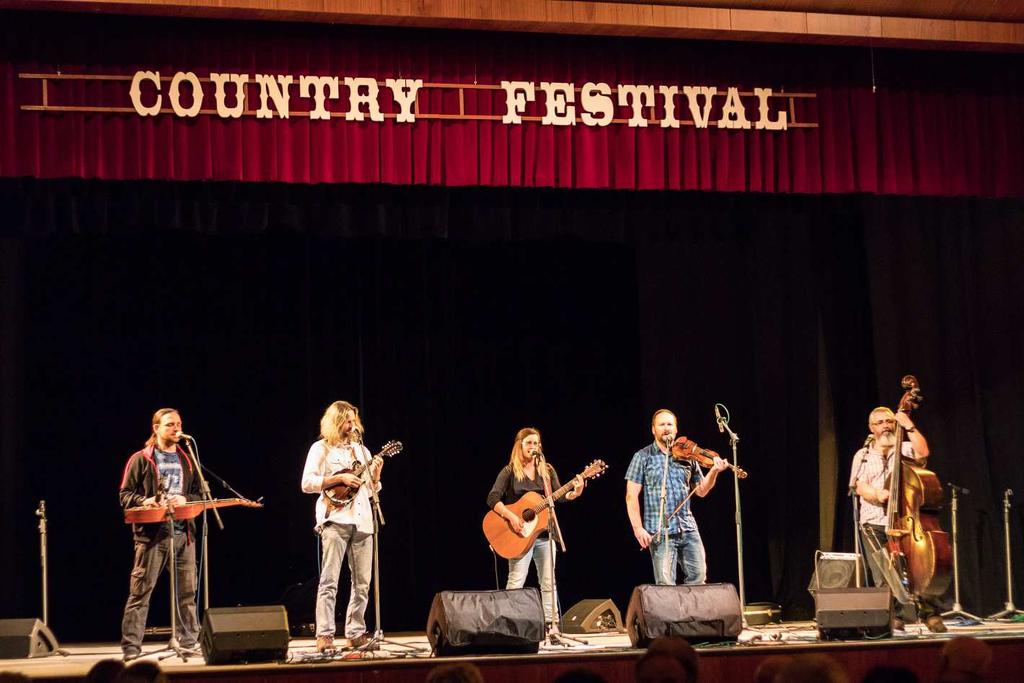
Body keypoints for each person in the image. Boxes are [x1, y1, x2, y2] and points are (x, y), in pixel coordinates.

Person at [850, 406, 946, 633]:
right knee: (883, 573)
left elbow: (923, 453)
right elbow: (858, 486)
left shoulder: (905, 448)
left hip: (906, 521)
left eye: (890, 421)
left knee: (920, 568)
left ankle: (930, 613)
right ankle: (894, 617)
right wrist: (876, 494)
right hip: (874, 521)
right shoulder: (862, 455)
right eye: (880, 422)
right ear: (872, 428)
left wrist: (909, 425)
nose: (886, 425)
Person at [118, 408, 201, 662]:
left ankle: (188, 642)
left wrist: (184, 498)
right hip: (152, 536)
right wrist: (148, 500)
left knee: (187, 593)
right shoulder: (141, 459)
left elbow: (200, 495)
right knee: (141, 591)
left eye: (179, 424)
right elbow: (125, 496)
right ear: (156, 428)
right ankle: (131, 647)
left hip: (183, 534)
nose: (177, 429)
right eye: (170, 425)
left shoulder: (188, 459)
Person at [300, 400, 384, 653]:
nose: (351, 425)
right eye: (347, 421)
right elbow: (307, 483)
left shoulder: (363, 452)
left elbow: (371, 491)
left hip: (362, 522)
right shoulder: (321, 449)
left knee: (362, 583)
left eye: (353, 420)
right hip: (335, 520)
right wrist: (338, 477)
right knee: (329, 581)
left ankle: (355, 631)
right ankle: (325, 633)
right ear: (336, 423)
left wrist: (376, 479)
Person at [486, 427, 584, 626]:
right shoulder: (510, 471)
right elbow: (492, 497)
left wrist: (575, 492)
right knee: (516, 580)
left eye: (536, 443)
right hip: (519, 535)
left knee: (549, 582)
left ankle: (551, 624)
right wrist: (512, 517)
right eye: (529, 443)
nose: (533, 447)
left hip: (544, 535)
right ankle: (508, 623)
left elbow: (559, 495)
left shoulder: (546, 471)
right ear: (520, 446)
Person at [625, 409, 728, 585]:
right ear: (653, 429)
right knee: (666, 585)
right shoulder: (642, 457)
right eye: (662, 424)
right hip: (659, 532)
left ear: (676, 429)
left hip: (687, 527)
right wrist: (638, 528)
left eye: (670, 424)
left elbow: (701, 491)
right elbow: (631, 496)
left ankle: (693, 613)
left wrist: (713, 472)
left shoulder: (689, 456)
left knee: (699, 576)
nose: (666, 428)